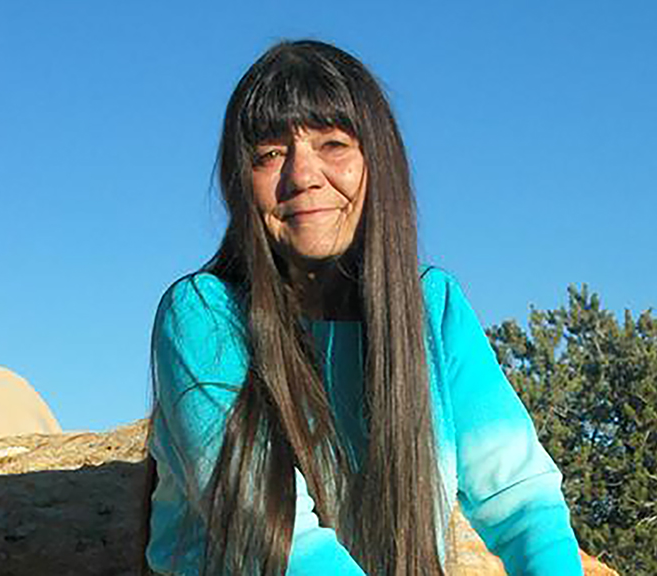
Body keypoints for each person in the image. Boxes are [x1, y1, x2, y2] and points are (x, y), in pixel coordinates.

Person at [140, 40, 582, 576]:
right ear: (242, 183)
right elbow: (277, 539)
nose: (302, 175)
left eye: (333, 144)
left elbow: (522, 502)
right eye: (270, 154)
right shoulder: (203, 318)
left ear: (378, 162)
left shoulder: (433, 310)